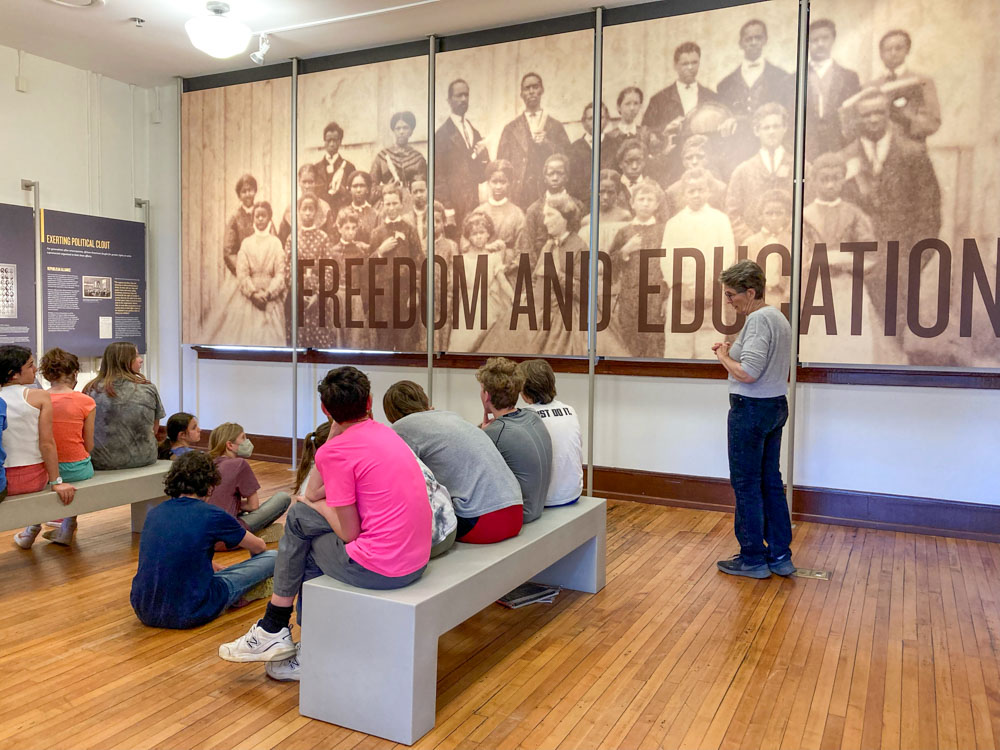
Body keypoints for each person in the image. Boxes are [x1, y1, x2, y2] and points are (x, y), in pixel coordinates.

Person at [218, 367, 431, 681]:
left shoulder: (338, 451)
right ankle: (290, 637)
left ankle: (278, 628)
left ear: (325, 410)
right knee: (305, 521)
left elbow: (347, 529)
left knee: (300, 523)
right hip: (416, 558)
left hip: (383, 568)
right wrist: (317, 497)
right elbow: (316, 490)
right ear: (370, 400)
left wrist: (317, 504)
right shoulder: (386, 433)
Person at [130, 451, 277, 629]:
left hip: (144, 609)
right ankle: (249, 589)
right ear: (209, 486)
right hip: (192, 610)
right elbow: (259, 546)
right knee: (273, 557)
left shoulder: (155, 512)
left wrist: (208, 564)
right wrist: (256, 571)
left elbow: (169, 551)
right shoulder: (212, 514)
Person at [712, 260, 794, 579]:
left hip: (751, 408)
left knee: (746, 483)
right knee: (770, 481)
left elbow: (748, 373)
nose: (729, 301)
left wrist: (723, 356)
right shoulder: (778, 318)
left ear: (750, 291)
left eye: (731, 295)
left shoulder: (759, 320)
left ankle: (752, 557)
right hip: (774, 405)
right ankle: (779, 554)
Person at [384, 380, 523, 544]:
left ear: (391, 414)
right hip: (515, 513)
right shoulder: (450, 416)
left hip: (482, 522)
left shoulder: (401, 428)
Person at [1, 346, 76, 549]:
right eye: (30, 365)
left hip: (3, 481)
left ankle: (29, 531)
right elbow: (47, 443)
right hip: (31, 479)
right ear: (14, 374)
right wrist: (56, 481)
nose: (35, 370)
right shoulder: (40, 397)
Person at [660, 168, 736, 360]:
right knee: (678, 348)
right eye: (691, 191)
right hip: (682, 291)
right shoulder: (674, 223)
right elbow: (667, 258)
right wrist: (679, 286)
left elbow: (727, 253)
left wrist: (714, 283)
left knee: (710, 347)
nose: (696, 195)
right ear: (684, 193)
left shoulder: (720, 220)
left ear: (708, 191)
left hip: (711, 288)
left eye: (700, 190)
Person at [476, 357, 552, 525]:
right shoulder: (533, 417)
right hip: (537, 508)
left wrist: (484, 432)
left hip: (521, 515)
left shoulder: (497, 432)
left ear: (487, 395)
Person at [716, 19, 795, 168]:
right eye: (748, 39)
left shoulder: (782, 78)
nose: (753, 42)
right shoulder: (725, 85)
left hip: (772, 152)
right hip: (737, 154)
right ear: (741, 43)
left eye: (758, 38)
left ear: (765, 40)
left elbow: (788, 119)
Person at [36, 348, 95, 545]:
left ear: (47, 374)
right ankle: (68, 525)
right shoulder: (86, 401)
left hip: (43, 470)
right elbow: (89, 444)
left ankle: (31, 528)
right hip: (78, 468)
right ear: (74, 373)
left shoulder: (36, 400)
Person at [84, 341, 165, 470]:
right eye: (136, 356)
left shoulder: (90, 390)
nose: (141, 360)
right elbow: (154, 428)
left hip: (101, 462)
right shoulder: (148, 388)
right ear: (124, 360)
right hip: (144, 458)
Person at [608, 181, 667, 358]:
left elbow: (670, 265)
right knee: (630, 343)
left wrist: (666, 297)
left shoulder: (664, 230)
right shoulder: (624, 232)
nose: (646, 203)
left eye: (650, 199)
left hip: (655, 298)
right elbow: (609, 264)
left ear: (657, 204)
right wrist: (626, 250)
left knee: (655, 344)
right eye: (641, 199)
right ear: (632, 203)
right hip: (630, 298)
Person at [526, 193, 589, 356]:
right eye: (544, 216)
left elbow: (584, 292)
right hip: (540, 315)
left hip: (564, 321)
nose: (545, 221)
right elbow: (535, 280)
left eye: (550, 215)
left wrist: (558, 275)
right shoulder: (548, 246)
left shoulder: (580, 247)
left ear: (565, 218)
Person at [497, 72, 572, 210]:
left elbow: (567, 158)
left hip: (548, 190)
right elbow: (501, 164)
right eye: (527, 88)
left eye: (535, 87)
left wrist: (547, 144)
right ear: (521, 94)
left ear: (541, 90)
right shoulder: (511, 128)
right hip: (520, 193)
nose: (531, 91)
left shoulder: (555, 126)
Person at [206, 422, 290, 542]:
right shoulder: (239, 464)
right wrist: (238, 505)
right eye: (243, 438)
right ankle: (255, 536)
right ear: (229, 445)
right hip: (228, 536)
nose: (247, 442)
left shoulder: (206, 463)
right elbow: (253, 505)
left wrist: (233, 504)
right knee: (283, 498)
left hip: (203, 535)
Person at [516, 359, 582, 508]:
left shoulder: (525, 417)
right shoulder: (570, 410)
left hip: (544, 501)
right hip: (572, 493)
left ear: (524, 391)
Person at [725, 103, 792, 243]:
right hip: (754, 249)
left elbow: (807, 209)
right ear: (756, 131)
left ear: (785, 128)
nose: (771, 132)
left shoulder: (801, 167)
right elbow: (732, 214)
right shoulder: (742, 171)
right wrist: (753, 241)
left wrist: (789, 237)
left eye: (776, 126)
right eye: (766, 127)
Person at [368, 184, 424, 352]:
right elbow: (368, 268)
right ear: (383, 206)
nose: (391, 208)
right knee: (384, 344)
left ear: (401, 204)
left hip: (405, 296)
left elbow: (419, 264)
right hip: (383, 299)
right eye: (388, 204)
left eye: (394, 203)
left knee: (405, 344)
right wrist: (380, 251)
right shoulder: (377, 233)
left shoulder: (410, 231)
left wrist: (415, 292)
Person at [450, 212, 515, 353]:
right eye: (474, 234)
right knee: (463, 344)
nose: (479, 237)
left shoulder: (493, 258)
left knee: (488, 344)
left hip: (488, 305)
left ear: (488, 234)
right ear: (468, 236)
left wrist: (514, 297)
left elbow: (502, 281)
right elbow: (458, 289)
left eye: (482, 232)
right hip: (467, 306)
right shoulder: (463, 259)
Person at [868, 29, 940, 145]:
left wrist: (907, 117)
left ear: (907, 50)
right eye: (888, 49)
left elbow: (933, 121)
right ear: (881, 54)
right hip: (879, 152)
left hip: (911, 150)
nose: (893, 53)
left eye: (898, 48)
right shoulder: (871, 87)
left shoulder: (921, 82)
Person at [435, 79, 489, 234]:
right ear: (449, 100)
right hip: (454, 206)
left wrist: (483, 157)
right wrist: (448, 209)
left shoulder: (474, 131)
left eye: (466, 95)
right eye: (458, 96)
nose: (463, 99)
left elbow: (482, 174)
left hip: (474, 202)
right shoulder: (442, 135)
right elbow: (438, 176)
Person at [805, 19, 860, 161]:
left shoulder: (849, 77)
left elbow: (855, 118)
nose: (820, 44)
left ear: (833, 40)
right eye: (814, 40)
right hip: (806, 151)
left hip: (839, 148)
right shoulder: (793, 79)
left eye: (825, 38)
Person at [642, 42, 719, 139]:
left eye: (694, 62)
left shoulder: (711, 97)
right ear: (675, 65)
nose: (690, 67)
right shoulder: (658, 99)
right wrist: (665, 129)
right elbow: (645, 133)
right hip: (671, 153)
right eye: (685, 64)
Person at [520, 153, 585, 262]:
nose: (555, 178)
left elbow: (582, 240)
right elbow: (527, 247)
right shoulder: (534, 209)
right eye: (551, 174)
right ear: (545, 178)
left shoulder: (578, 206)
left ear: (567, 177)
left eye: (560, 173)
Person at [290, 194, 334, 348]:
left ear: (316, 212)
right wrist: (299, 292)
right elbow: (288, 268)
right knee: (299, 340)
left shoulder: (323, 238)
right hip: (299, 296)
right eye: (304, 209)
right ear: (299, 212)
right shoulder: (292, 239)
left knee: (320, 340)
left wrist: (318, 294)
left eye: (311, 209)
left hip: (318, 297)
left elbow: (328, 268)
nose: (308, 213)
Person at [370, 111, 428, 199]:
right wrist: (386, 188)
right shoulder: (382, 157)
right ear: (393, 131)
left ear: (411, 131)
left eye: (405, 128)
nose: (401, 132)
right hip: (387, 202)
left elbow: (424, 187)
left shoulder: (418, 159)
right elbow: (371, 186)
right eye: (398, 128)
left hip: (411, 202)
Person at [474, 159, 527, 257]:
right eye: (494, 182)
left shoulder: (517, 214)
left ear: (509, 183)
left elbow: (521, 248)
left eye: (503, 182)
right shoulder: (479, 212)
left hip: (508, 264)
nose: (498, 187)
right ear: (488, 183)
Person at [665, 135, 727, 216]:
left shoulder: (721, 189)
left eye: (700, 157)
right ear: (683, 161)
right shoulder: (672, 192)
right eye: (689, 158)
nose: (694, 162)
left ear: (709, 158)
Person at [601, 87, 654, 170]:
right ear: (619, 107)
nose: (632, 108)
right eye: (627, 104)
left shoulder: (645, 133)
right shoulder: (609, 137)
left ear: (640, 106)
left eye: (636, 103)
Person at [567, 102, 608, 205]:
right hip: (583, 204)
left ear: (607, 120)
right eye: (591, 118)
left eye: (601, 117)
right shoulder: (573, 149)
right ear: (583, 122)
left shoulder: (615, 145)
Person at [313, 121, 356, 215]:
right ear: (324, 142)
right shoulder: (315, 168)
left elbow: (354, 195)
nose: (332, 144)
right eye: (329, 140)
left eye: (335, 140)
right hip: (321, 213)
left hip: (342, 213)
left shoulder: (349, 167)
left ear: (340, 142)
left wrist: (342, 190)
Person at [345, 170, 378, 243]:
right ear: (350, 190)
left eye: (362, 186)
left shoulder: (375, 214)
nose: (358, 190)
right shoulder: (344, 213)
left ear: (367, 189)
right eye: (355, 186)